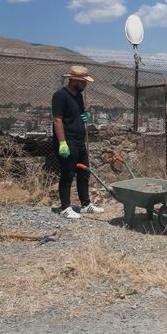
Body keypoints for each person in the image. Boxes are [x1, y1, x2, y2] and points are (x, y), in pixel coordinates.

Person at [52, 65, 104, 219]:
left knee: (84, 173)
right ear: (74, 80)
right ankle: (65, 208)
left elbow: (79, 114)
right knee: (67, 174)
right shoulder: (60, 96)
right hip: (68, 142)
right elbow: (57, 120)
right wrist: (62, 143)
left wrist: (85, 115)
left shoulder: (78, 96)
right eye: (83, 82)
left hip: (80, 141)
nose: (85, 85)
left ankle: (86, 204)